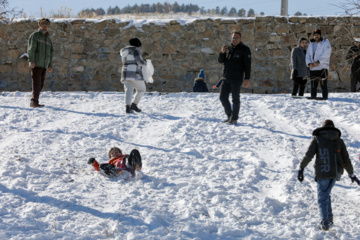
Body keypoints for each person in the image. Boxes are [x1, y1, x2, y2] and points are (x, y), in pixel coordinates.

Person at [297, 120, 360, 231]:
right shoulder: (339, 140)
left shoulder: (317, 139)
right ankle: (329, 218)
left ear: (323, 128)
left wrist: (301, 168)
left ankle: (324, 221)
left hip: (322, 171)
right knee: (327, 193)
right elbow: (346, 159)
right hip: (336, 172)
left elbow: (308, 155)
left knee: (322, 198)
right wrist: (351, 174)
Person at [218, 31, 251, 125]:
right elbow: (220, 60)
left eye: (236, 37)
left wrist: (247, 78)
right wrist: (222, 52)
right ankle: (229, 115)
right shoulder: (227, 48)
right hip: (226, 77)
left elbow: (247, 65)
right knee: (222, 97)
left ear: (240, 39)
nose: (234, 39)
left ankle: (234, 118)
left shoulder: (245, 49)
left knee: (235, 99)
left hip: (237, 78)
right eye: (233, 37)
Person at [27, 18, 53, 108]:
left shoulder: (48, 40)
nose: (45, 27)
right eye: (43, 25)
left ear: (48, 27)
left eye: (46, 26)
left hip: (44, 65)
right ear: (40, 26)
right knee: (36, 83)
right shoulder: (35, 36)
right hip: (36, 63)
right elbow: (31, 49)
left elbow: (51, 53)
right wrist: (31, 60)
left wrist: (49, 65)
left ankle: (35, 101)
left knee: (41, 83)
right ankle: (33, 102)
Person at [120, 38, 147, 114]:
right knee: (142, 89)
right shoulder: (135, 50)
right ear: (138, 44)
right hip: (134, 73)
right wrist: (145, 62)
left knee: (129, 89)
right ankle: (134, 105)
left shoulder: (124, 51)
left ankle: (127, 107)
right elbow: (139, 62)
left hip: (124, 73)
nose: (140, 47)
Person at [305, 29, 332, 100]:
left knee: (323, 85)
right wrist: (309, 63)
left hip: (322, 67)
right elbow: (308, 55)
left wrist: (318, 62)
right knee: (313, 85)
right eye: (315, 35)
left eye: (317, 35)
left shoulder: (325, 42)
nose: (316, 36)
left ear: (320, 35)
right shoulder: (311, 44)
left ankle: (325, 98)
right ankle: (313, 98)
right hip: (313, 68)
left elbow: (327, 53)